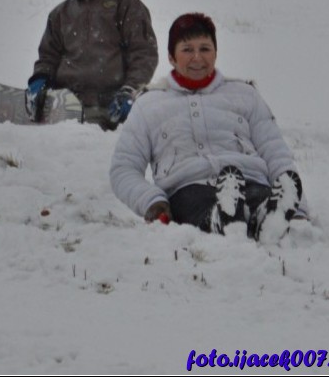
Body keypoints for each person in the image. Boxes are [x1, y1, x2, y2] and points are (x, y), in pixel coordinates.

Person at [110, 13, 308, 243]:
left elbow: (275, 153)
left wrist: (299, 211)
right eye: (187, 50)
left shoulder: (245, 95)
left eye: (205, 49)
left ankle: (267, 217)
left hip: (250, 180)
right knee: (202, 207)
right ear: (171, 57)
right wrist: (153, 202)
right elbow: (123, 169)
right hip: (188, 188)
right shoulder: (148, 105)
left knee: (257, 198)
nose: (197, 57)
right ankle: (221, 219)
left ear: (215, 52)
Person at [26, 0, 159, 129]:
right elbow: (48, 56)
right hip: (66, 103)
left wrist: (130, 90)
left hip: (111, 104)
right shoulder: (60, 14)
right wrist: (40, 79)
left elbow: (143, 55)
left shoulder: (126, 5)